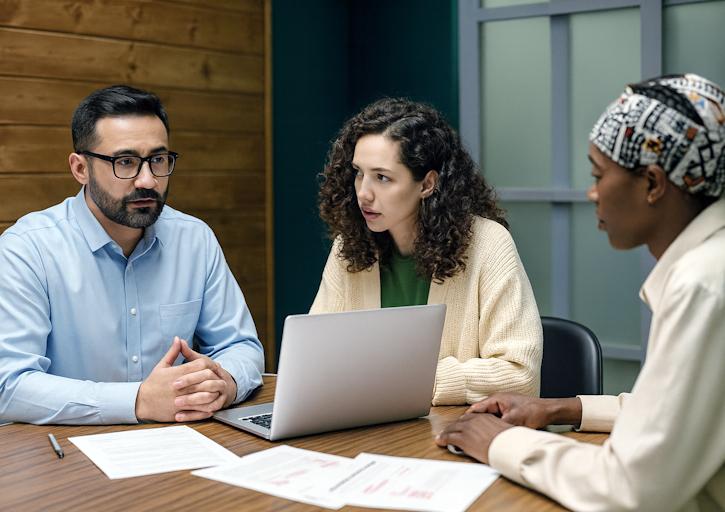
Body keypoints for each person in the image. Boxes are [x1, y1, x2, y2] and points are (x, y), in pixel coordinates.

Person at [436, 74, 725, 512]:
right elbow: (684, 413)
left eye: (598, 173)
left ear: (652, 183)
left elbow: (631, 490)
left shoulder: (703, 283)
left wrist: (503, 443)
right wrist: (559, 409)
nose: (591, 192)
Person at [0, 85, 265, 426]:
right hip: (51, 459)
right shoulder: (27, 249)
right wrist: (138, 402)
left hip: (170, 446)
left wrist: (225, 384)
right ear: (80, 168)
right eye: (125, 162)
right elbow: (8, 388)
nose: (147, 180)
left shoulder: (195, 239)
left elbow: (241, 346)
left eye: (158, 160)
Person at [311, 98, 543, 405]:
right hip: (370, 431)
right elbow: (314, 360)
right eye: (358, 173)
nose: (363, 193)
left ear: (427, 184)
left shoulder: (489, 245)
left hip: (456, 435)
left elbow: (520, 375)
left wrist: (408, 381)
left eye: (383, 177)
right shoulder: (350, 245)